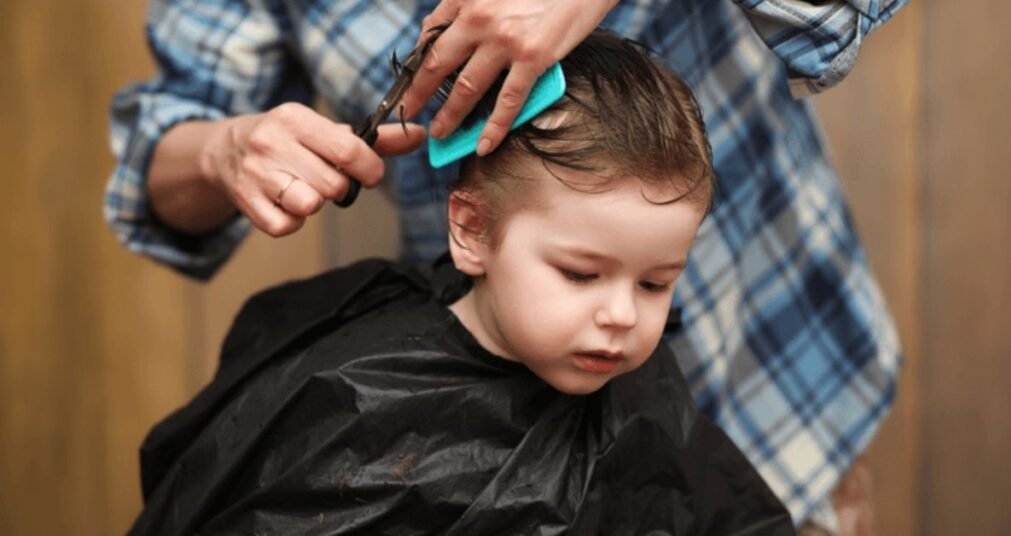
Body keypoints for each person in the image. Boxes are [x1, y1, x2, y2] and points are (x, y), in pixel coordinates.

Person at [106, 0, 907, 531]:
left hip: (783, 398)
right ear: (472, 227)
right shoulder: (359, 413)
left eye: (659, 282)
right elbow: (157, 161)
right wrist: (221, 149)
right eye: (582, 273)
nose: (625, 315)